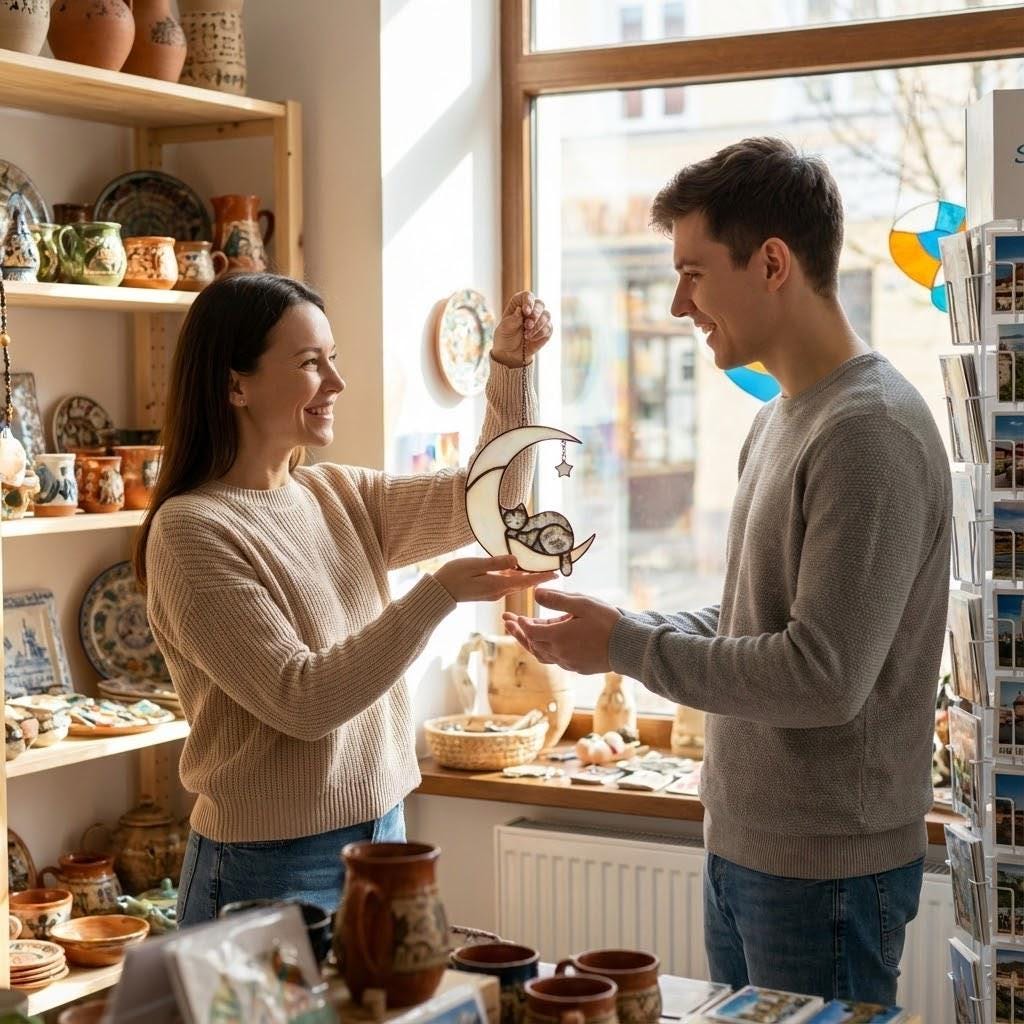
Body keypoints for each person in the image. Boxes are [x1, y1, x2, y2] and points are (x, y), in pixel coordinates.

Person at [503, 137, 951, 1004]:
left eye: (695, 273)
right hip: (749, 850)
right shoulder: (786, 417)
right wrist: (628, 630)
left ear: (773, 263)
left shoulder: (869, 433)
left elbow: (822, 677)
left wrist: (629, 647)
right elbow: (759, 615)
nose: (678, 304)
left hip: (825, 876)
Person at [136, 272, 554, 925]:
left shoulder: (337, 494)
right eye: (310, 363)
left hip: (383, 833)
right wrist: (437, 594)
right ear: (234, 383)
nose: (336, 382)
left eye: (333, 359)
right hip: (268, 864)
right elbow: (301, 700)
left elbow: (491, 499)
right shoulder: (193, 531)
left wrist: (512, 367)